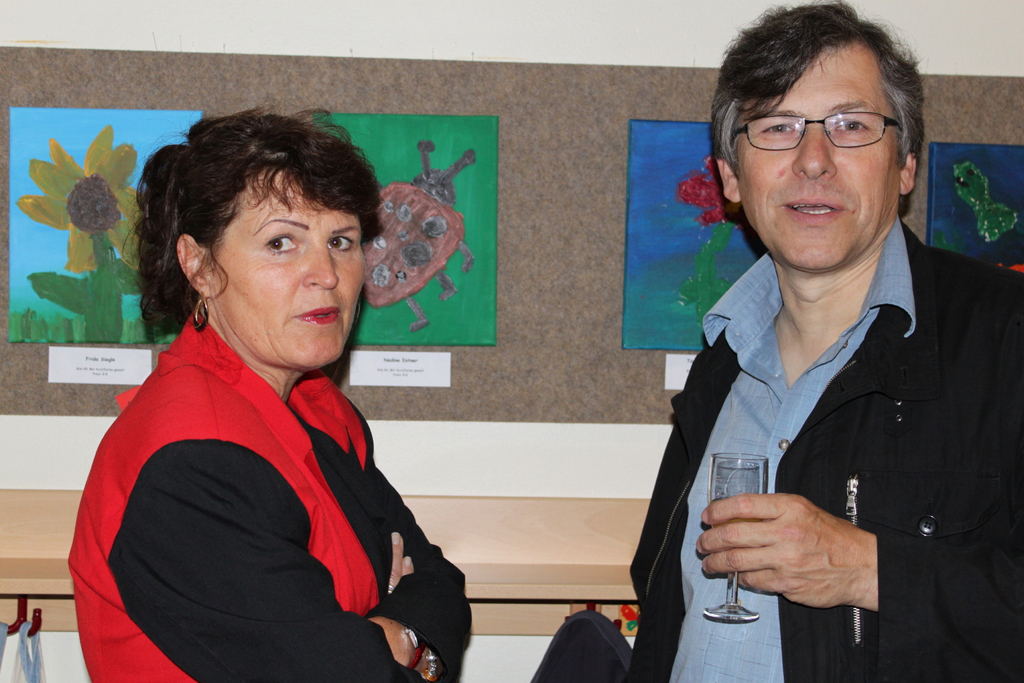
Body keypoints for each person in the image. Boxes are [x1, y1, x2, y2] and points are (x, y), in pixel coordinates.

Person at [629, 2, 1024, 682]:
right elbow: (666, 603)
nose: (813, 160)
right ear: (731, 176)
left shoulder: (1007, 338)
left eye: (851, 126)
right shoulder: (720, 361)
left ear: (905, 164)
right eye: (777, 128)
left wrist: (872, 570)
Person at [69, 110, 471, 682]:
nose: (326, 274)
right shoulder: (190, 462)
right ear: (198, 265)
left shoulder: (320, 410)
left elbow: (439, 585)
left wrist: (398, 638)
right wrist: (398, 638)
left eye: (341, 241)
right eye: (282, 243)